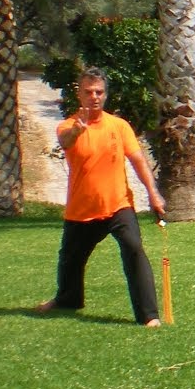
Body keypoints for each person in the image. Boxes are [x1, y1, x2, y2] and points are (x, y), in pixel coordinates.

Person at [37, 67, 165, 327]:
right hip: (82, 210)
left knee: (134, 249)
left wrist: (153, 194)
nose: (94, 96)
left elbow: (138, 161)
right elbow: (65, 141)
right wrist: (78, 131)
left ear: (105, 95)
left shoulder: (118, 126)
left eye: (99, 92)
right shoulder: (68, 126)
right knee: (70, 260)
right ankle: (67, 299)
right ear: (79, 94)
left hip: (118, 205)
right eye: (88, 92)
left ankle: (149, 316)